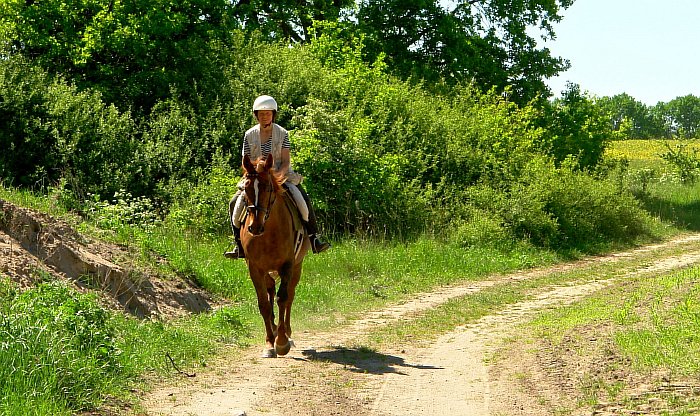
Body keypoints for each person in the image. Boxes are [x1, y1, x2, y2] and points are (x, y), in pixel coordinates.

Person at [225, 95, 331, 259]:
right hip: (255, 178)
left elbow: (286, 161)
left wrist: (278, 177)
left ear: (273, 114)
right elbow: (245, 161)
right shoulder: (249, 135)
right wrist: (254, 174)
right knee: (234, 203)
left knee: (302, 200)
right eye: (261, 113)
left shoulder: (282, 133)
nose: (264, 116)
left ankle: (314, 238)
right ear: (256, 115)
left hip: (280, 175)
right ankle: (238, 244)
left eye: (267, 113)